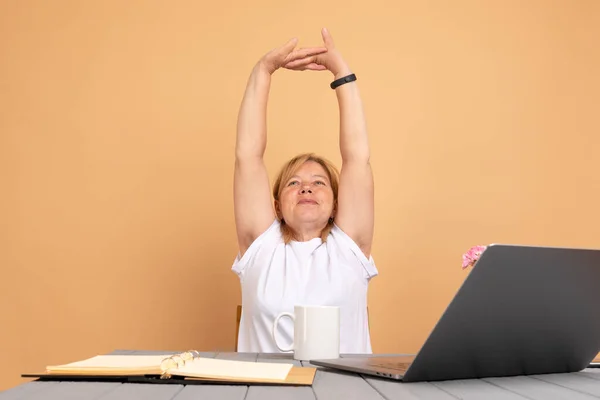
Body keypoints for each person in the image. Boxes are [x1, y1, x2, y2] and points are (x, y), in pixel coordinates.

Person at [232, 28, 377, 354]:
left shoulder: (349, 248)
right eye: (294, 183)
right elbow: (247, 157)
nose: (306, 188)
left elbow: (357, 157)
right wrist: (263, 71)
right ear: (277, 207)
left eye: (319, 183)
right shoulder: (261, 246)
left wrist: (342, 74)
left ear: (337, 205)